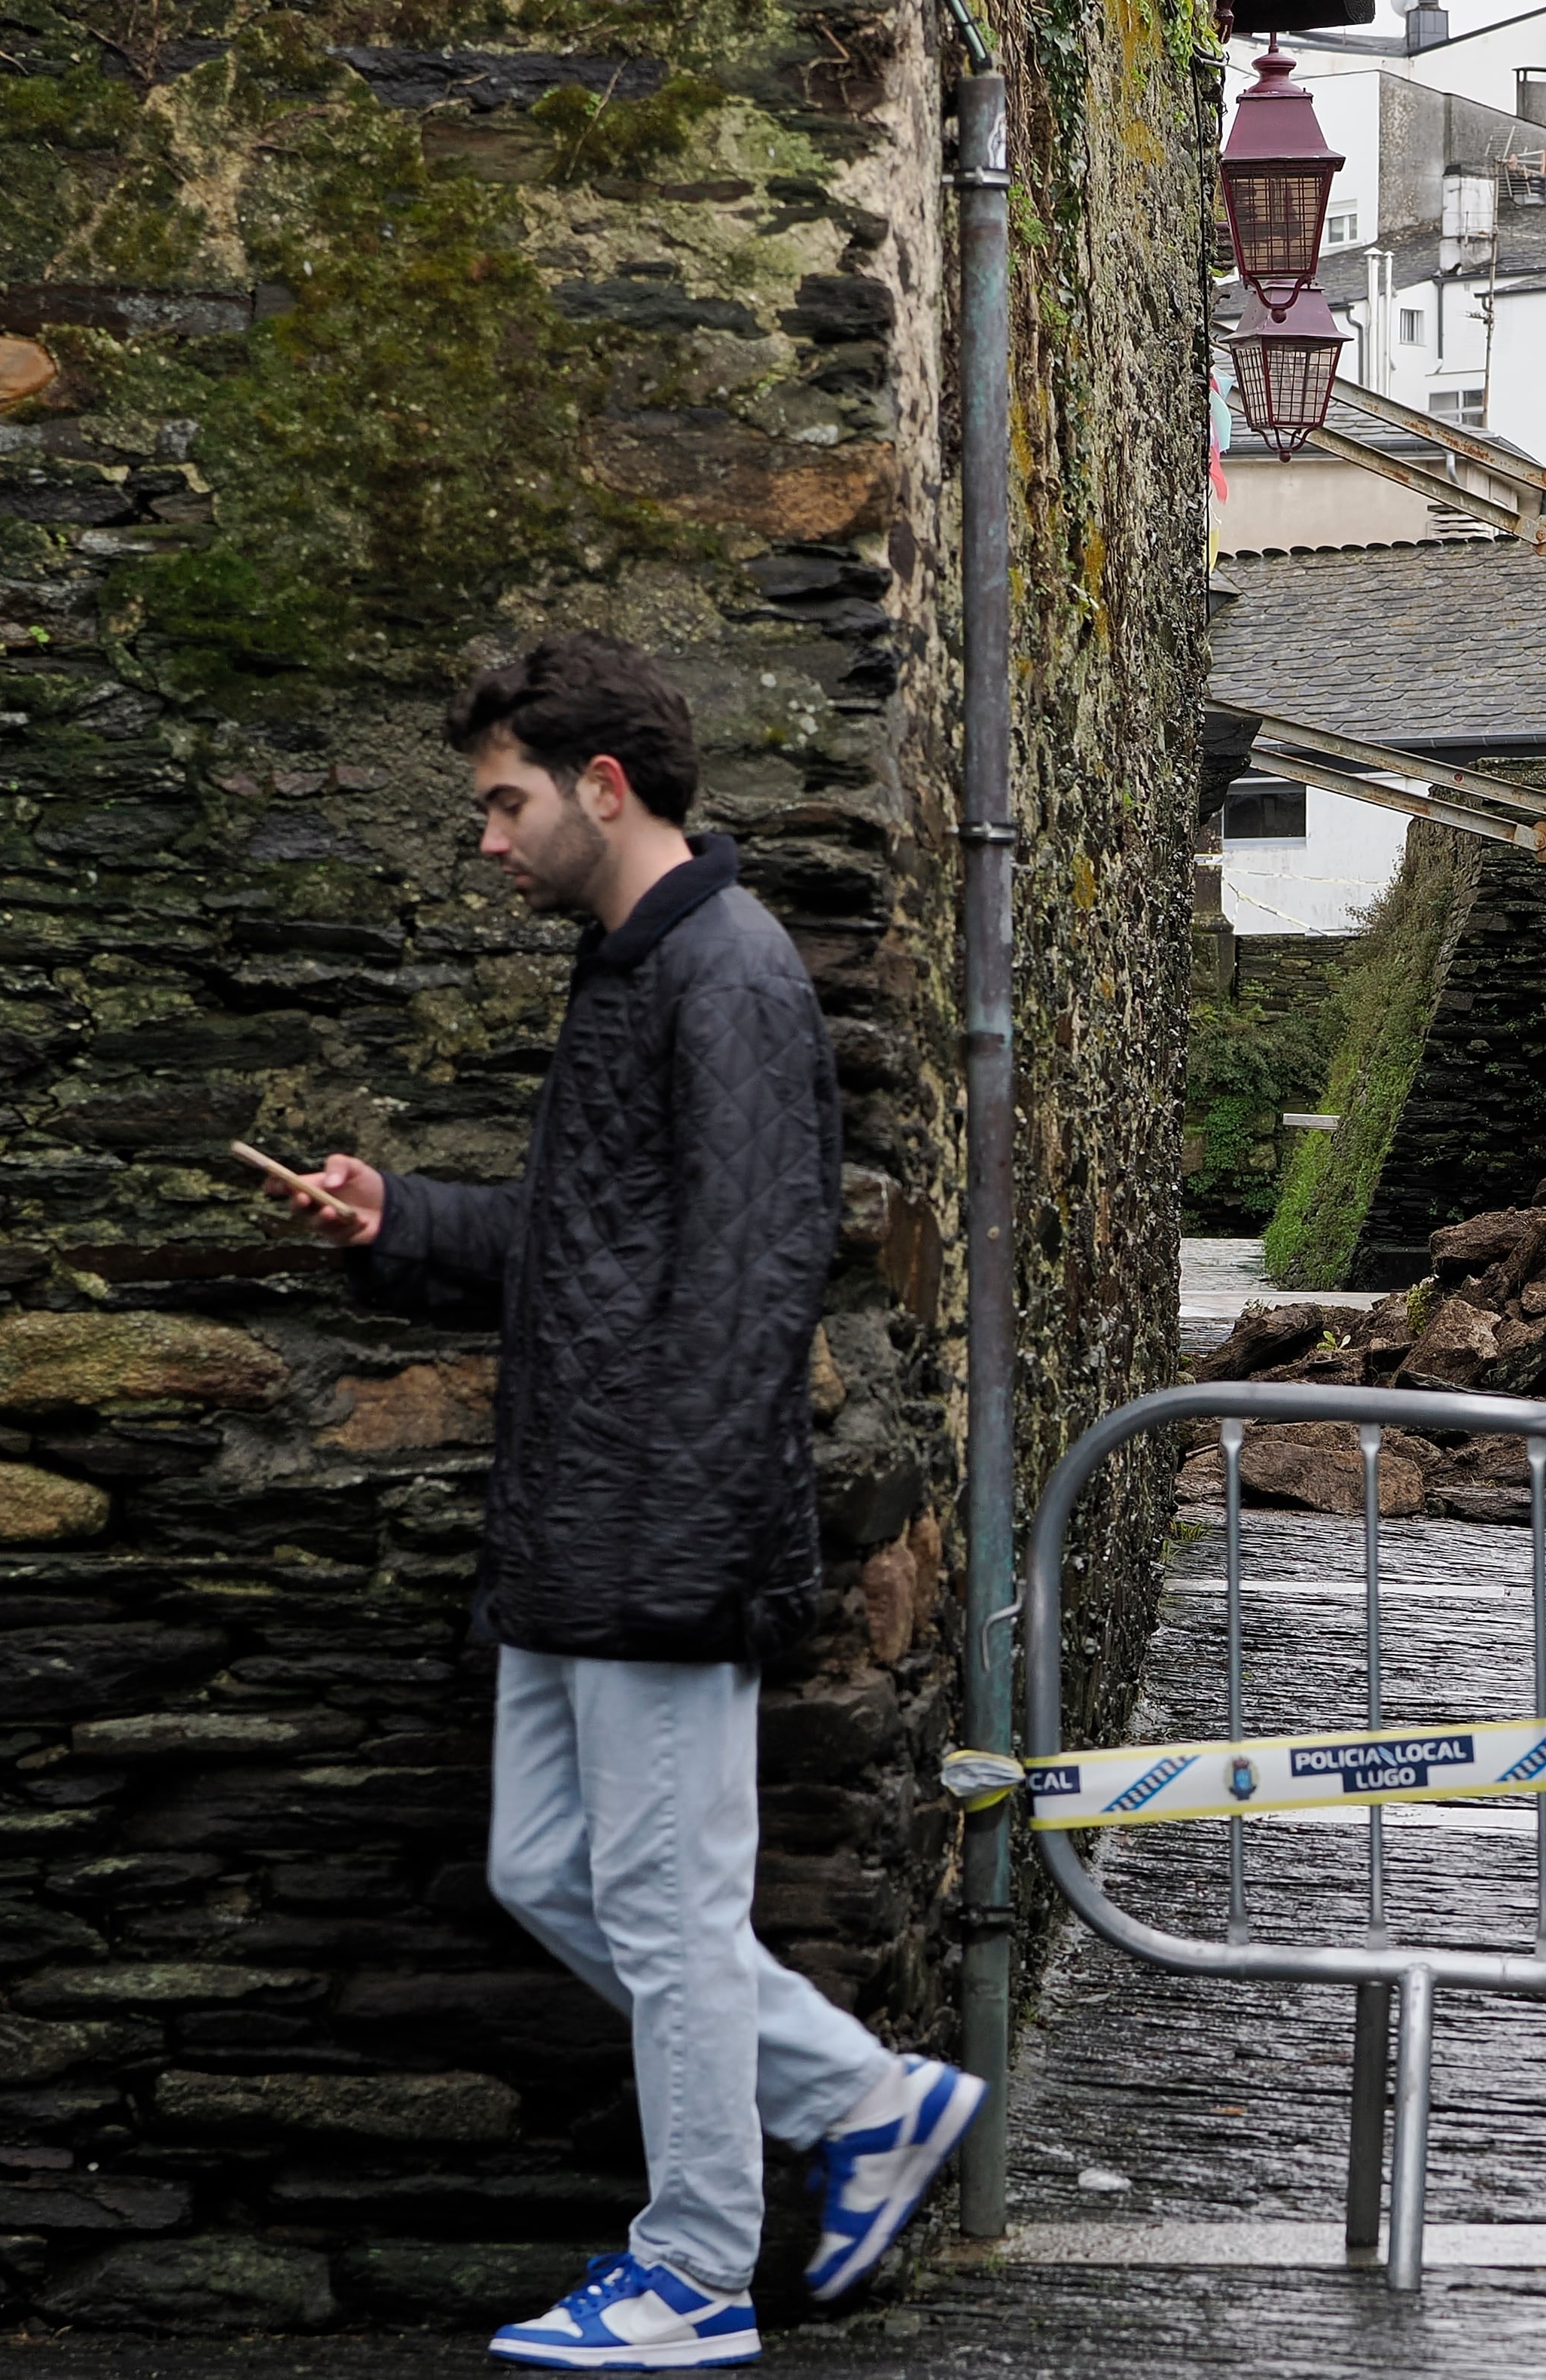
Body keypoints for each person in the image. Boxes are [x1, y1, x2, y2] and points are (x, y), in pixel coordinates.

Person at [270, 633, 980, 2371]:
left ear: (603, 786)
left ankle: (691, 2277)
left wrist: (675, 1562)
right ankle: (865, 2100)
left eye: (504, 802)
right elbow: (577, 1250)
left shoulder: (728, 980)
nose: (488, 839)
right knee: (549, 1870)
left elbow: (751, 1290)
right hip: (574, 1541)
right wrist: (400, 1220)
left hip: (650, 1547)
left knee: (663, 1913)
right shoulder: (630, 968)